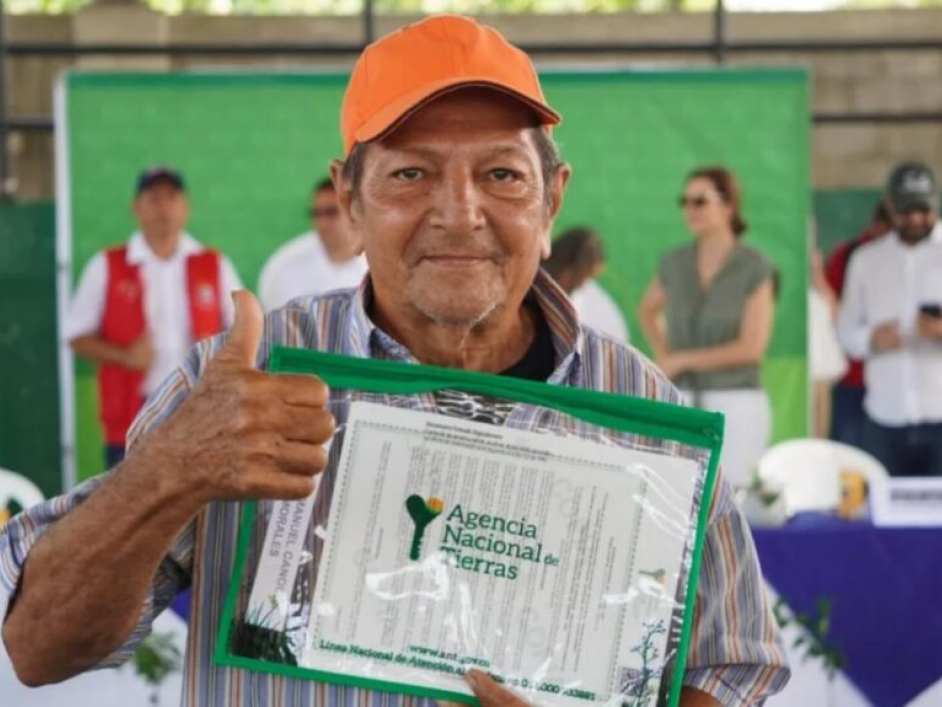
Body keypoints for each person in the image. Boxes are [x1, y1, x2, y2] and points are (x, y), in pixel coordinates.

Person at [0, 16, 788, 707]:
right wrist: (172, 469)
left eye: (502, 174)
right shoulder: (242, 384)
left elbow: (729, 665)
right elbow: (38, 649)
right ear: (349, 200)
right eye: (411, 172)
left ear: (551, 200)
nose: (459, 212)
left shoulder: (640, 406)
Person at [65, 166, 243, 466]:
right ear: (137, 208)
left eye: (171, 198)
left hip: (200, 408)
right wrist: (124, 356)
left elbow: (243, 328)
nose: (163, 207)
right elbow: (76, 336)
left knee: (201, 507)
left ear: (185, 208)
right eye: (153, 198)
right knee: (131, 507)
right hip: (132, 414)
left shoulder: (213, 264)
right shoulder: (107, 265)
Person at [637, 167, 776, 488]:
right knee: (675, 497)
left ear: (729, 206)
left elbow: (751, 349)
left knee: (733, 497)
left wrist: (681, 360)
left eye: (700, 201)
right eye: (684, 201)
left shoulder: (754, 265)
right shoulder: (675, 261)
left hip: (738, 402)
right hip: (681, 399)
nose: (690, 209)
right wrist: (663, 352)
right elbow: (647, 309)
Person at [837, 162, 942, 477]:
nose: (915, 219)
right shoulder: (866, 260)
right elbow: (845, 333)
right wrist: (872, 339)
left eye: (923, 210)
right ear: (890, 208)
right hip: (883, 417)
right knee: (882, 521)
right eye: (906, 211)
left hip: (939, 415)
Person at [824, 201, 892, 447]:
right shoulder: (850, 255)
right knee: (851, 458)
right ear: (878, 226)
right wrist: (869, 336)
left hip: (896, 380)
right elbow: (830, 308)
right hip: (853, 377)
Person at [258, 178, 368, 311]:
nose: (321, 223)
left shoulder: (382, 264)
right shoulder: (285, 267)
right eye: (316, 214)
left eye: (331, 212)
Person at [542, 226, 630, 343]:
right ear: (568, 269)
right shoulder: (529, 289)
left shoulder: (573, 302)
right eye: (584, 277)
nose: (583, 286)